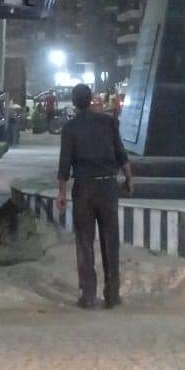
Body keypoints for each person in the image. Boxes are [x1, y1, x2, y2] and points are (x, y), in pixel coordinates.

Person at [56, 83, 133, 309]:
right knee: (110, 241)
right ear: (90, 99)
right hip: (108, 186)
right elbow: (121, 154)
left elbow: (64, 164)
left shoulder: (70, 128)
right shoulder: (108, 123)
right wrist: (129, 178)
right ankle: (112, 295)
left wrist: (61, 192)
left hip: (84, 189)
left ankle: (88, 295)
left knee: (84, 242)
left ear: (74, 102)